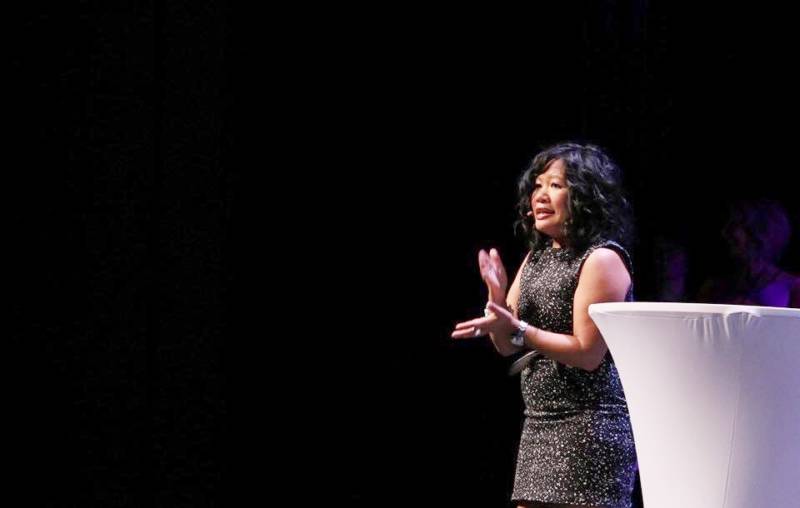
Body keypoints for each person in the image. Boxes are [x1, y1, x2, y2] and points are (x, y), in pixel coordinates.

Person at [452, 142, 638, 508]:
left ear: (584, 196)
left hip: (589, 426)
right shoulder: (536, 257)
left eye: (555, 185)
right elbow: (507, 345)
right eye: (538, 185)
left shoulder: (601, 259)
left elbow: (587, 353)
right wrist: (496, 299)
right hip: (539, 423)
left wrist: (519, 329)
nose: (540, 195)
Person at [696, 199, 800, 307]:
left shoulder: (793, 287)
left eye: (734, 225)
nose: (725, 232)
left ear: (757, 231)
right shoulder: (714, 287)